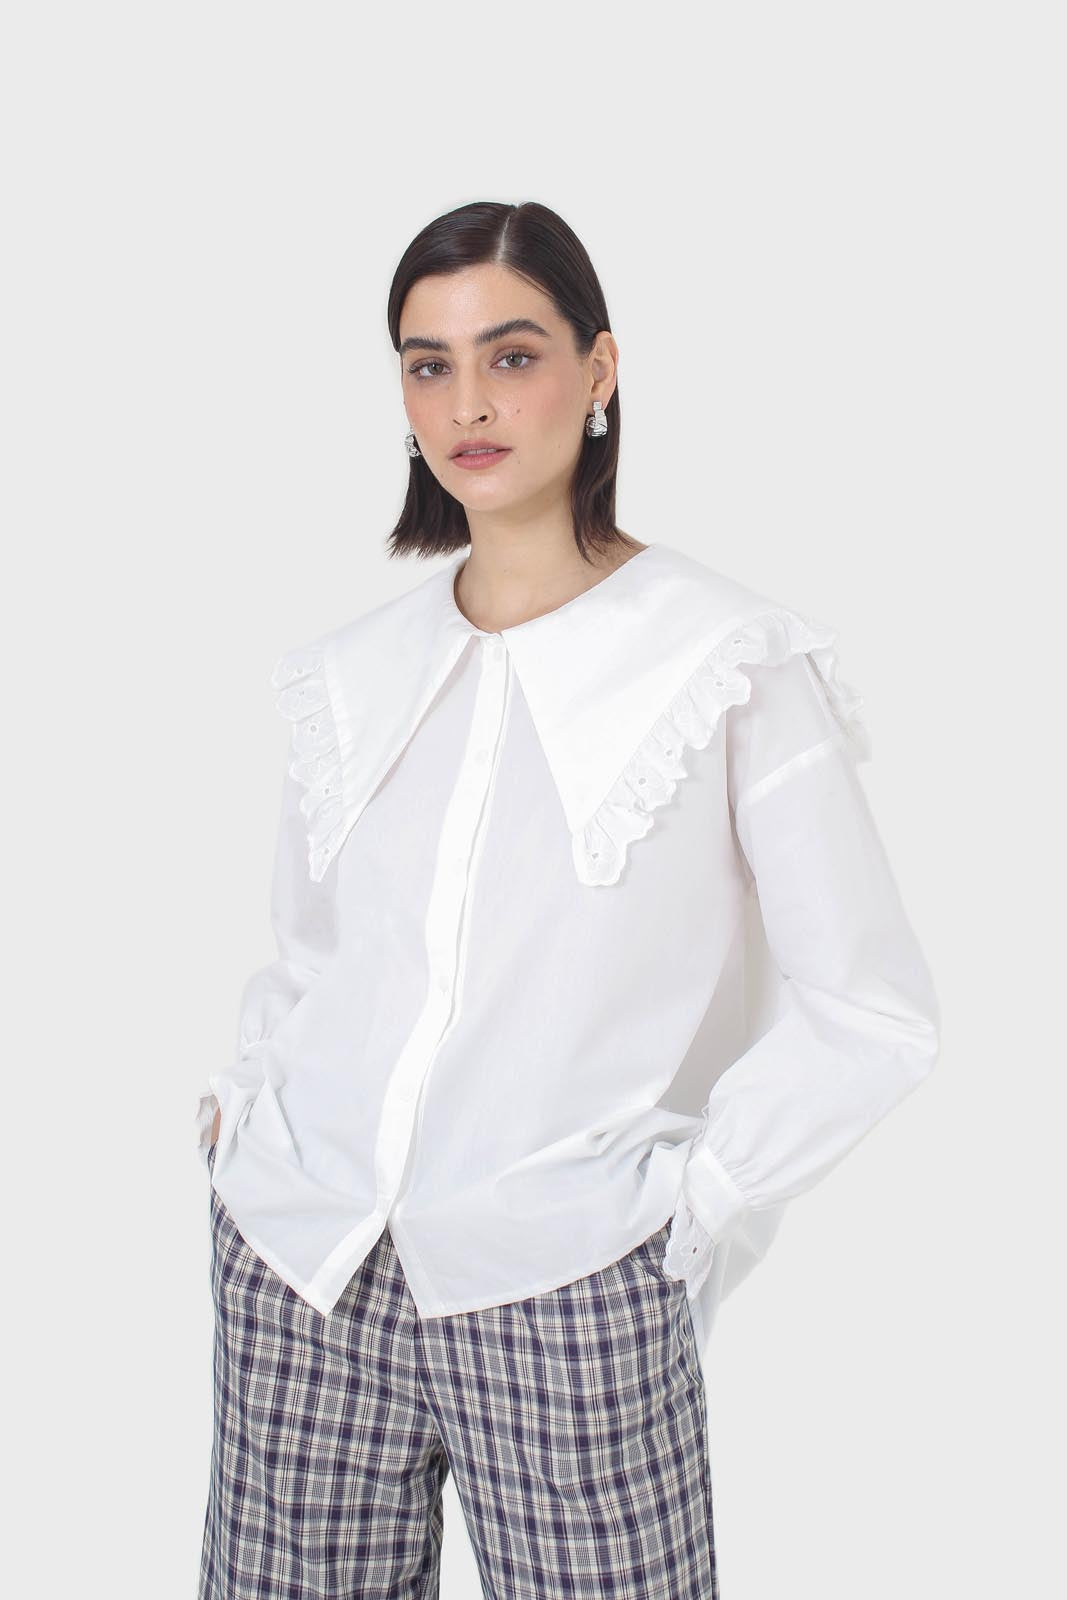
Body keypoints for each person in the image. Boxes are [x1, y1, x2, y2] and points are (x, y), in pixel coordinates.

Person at [194, 200, 940, 1600]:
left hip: (569, 1287)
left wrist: (690, 1206)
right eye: (429, 365)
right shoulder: (352, 673)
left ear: (600, 368)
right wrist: (244, 1112)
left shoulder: (725, 663)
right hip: (302, 1262)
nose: (468, 404)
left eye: (513, 355)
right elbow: (311, 959)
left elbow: (872, 1009)